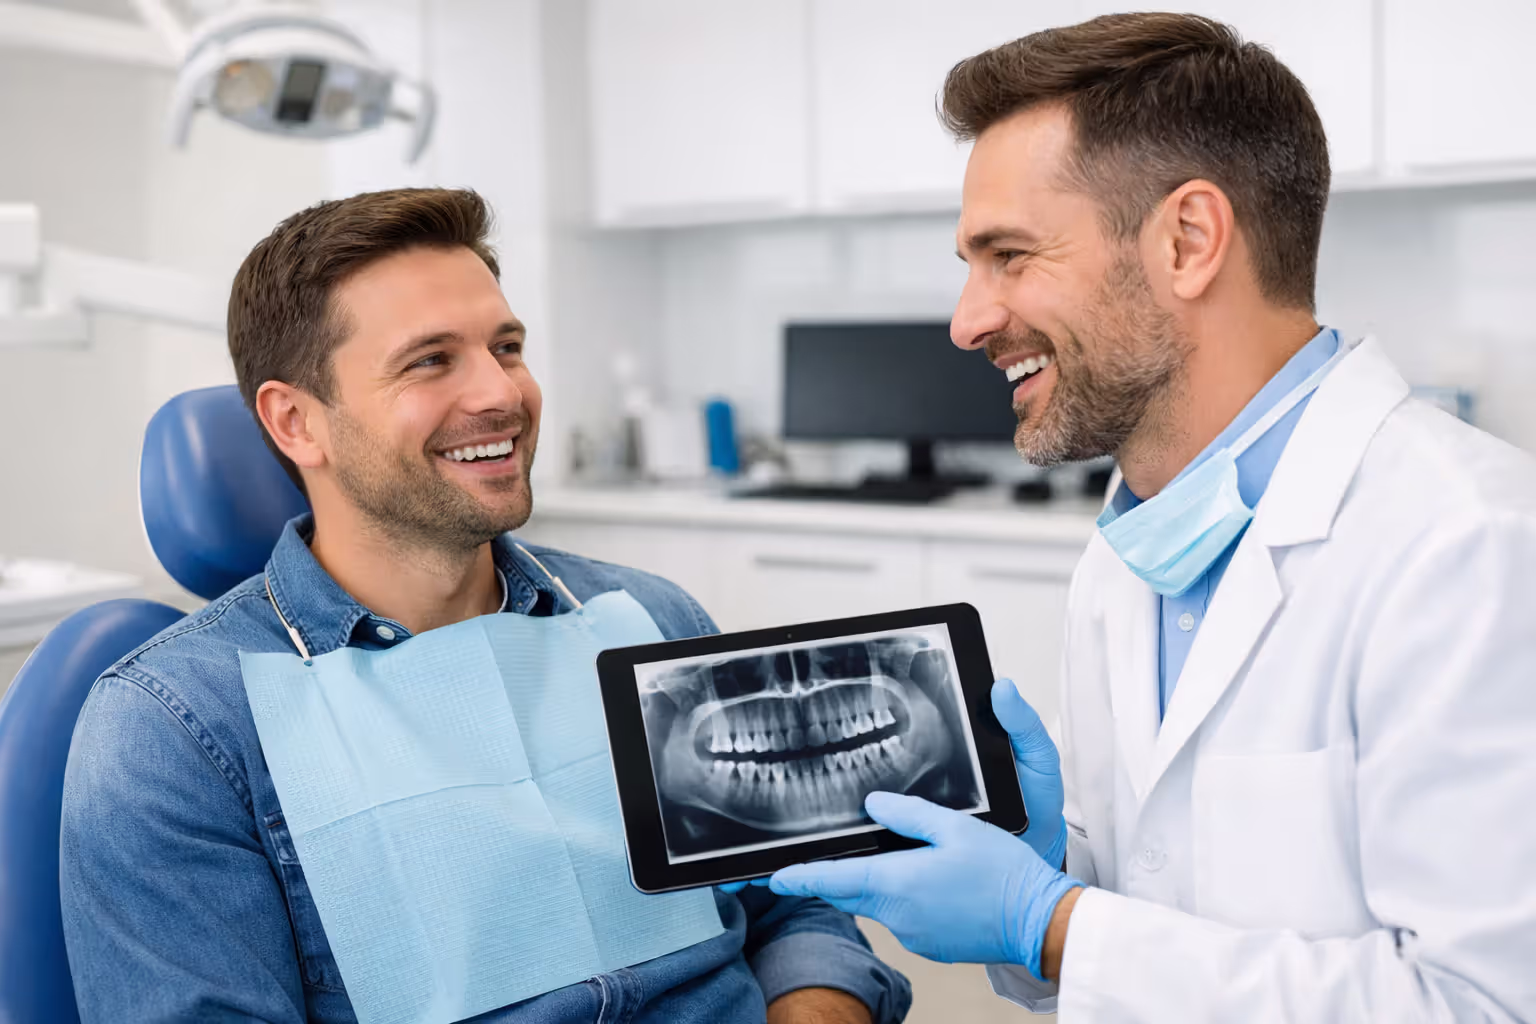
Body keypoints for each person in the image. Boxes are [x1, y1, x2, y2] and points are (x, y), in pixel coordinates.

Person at [765, 12, 1536, 1021]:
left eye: (1008, 255)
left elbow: (1486, 1004)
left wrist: (1053, 919)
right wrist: (1057, 868)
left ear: (1188, 240)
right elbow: (1165, 913)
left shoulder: (1468, 542)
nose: (966, 319)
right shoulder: (1135, 548)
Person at [60, 188, 910, 1024]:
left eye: (505, 347)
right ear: (295, 424)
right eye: (431, 360)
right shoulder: (178, 730)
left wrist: (815, 1009)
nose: (500, 393)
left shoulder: (646, 618)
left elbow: (797, 908)